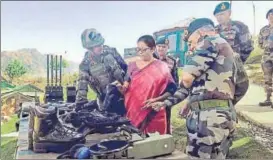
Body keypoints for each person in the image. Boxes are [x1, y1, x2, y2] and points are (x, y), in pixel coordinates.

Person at [148, 18, 237, 159]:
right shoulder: (229, 51)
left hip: (207, 120)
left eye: (191, 42)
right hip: (224, 117)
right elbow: (243, 84)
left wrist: (210, 104)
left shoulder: (209, 41)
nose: (190, 47)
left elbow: (187, 78)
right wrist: (166, 103)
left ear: (200, 33)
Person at [123, 35, 177, 134]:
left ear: (152, 49)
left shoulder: (161, 67)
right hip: (133, 111)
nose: (140, 52)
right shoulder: (131, 66)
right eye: (138, 49)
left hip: (153, 112)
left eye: (143, 50)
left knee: (153, 144)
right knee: (134, 141)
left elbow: (172, 89)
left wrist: (156, 100)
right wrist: (120, 87)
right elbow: (125, 87)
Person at [75, 28, 127, 115]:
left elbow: (125, 69)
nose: (100, 47)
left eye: (101, 44)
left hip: (123, 93)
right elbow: (82, 86)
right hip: (105, 99)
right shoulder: (85, 64)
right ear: (89, 48)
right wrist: (80, 104)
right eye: (97, 45)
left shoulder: (111, 52)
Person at [214, 2, 253, 105]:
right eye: (217, 15)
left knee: (240, 87)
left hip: (234, 66)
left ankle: (230, 106)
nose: (219, 17)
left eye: (222, 14)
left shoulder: (240, 27)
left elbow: (248, 47)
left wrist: (238, 62)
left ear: (229, 13)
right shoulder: (214, 30)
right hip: (217, 69)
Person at [258, 9, 273, 107]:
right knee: (267, 79)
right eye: (270, 15)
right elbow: (260, 43)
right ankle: (268, 99)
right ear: (267, 17)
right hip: (267, 57)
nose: (272, 16)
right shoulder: (263, 30)